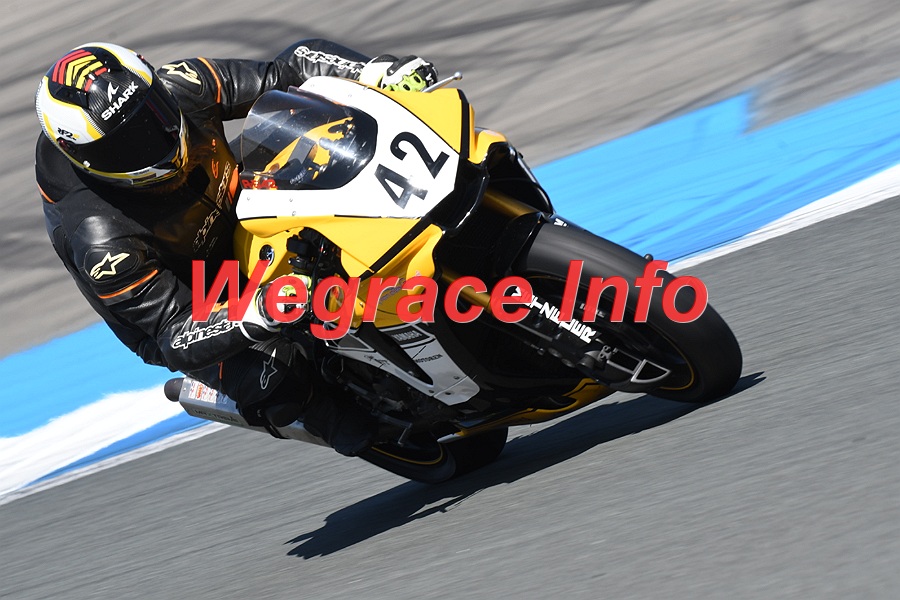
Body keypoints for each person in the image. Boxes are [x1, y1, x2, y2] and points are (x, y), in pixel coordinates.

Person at [34, 39, 439, 456]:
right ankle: (331, 416)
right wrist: (260, 310)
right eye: (129, 143)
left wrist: (372, 71)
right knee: (287, 386)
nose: (156, 139)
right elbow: (174, 331)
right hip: (194, 299)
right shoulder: (99, 240)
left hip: (240, 209)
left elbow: (289, 69)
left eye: (153, 113)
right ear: (82, 156)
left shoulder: (183, 84)